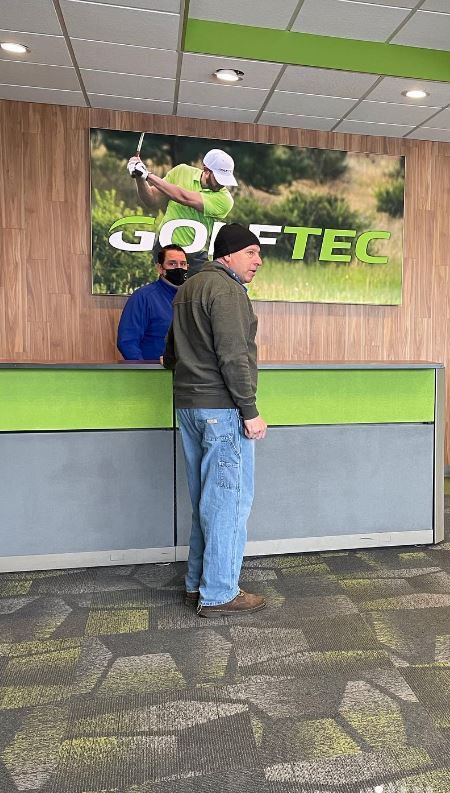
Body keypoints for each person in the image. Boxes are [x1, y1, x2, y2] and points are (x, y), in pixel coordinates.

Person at [163, 223, 267, 617]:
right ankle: (221, 592)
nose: (258, 261)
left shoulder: (187, 288)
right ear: (228, 254)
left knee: (206, 502)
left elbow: (170, 353)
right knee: (228, 502)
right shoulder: (226, 290)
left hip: (189, 407)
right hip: (221, 410)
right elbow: (233, 355)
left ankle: (197, 584)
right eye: (251, 252)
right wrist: (250, 410)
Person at [127, 148, 236, 275]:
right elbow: (151, 199)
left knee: (196, 288)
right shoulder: (181, 171)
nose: (222, 184)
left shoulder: (225, 200)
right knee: (165, 287)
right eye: (219, 178)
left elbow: (184, 197)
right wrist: (139, 176)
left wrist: (147, 175)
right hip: (165, 246)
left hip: (194, 255)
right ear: (206, 170)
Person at [117, 244, 188, 361]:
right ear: (160, 268)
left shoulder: (193, 297)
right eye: (172, 264)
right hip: (155, 370)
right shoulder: (143, 297)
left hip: (189, 371)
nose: (179, 268)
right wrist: (146, 369)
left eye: (183, 264)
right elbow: (127, 342)